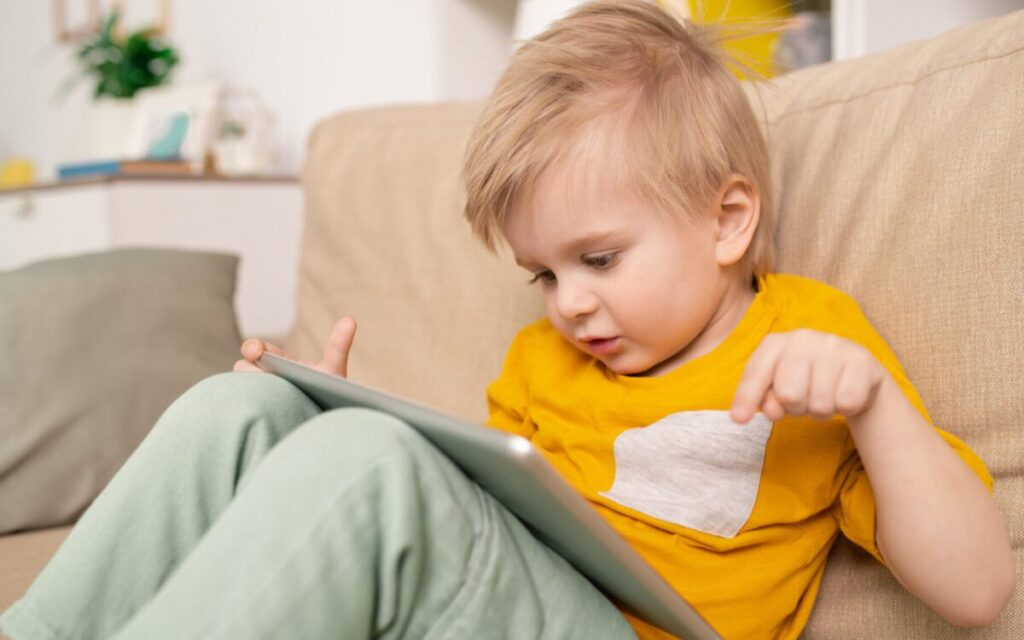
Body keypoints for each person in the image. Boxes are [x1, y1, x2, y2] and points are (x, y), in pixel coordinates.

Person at [1, 2, 1013, 639]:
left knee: (364, 462)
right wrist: (319, 425)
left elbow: (975, 592)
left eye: (600, 259)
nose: (569, 302)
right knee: (238, 410)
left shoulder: (810, 343)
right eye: (542, 272)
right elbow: (485, 529)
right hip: (526, 600)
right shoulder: (544, 358)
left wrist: (873, 406)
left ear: (727, 218)